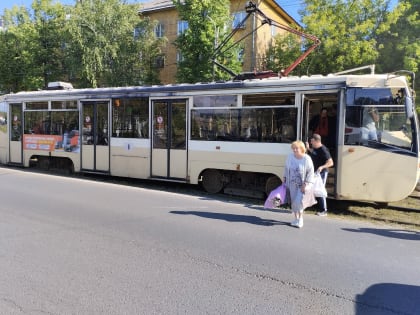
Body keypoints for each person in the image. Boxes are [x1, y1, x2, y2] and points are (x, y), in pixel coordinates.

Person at [283, 140, 315, 228]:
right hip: (291, 184)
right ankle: (296, 219)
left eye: (296, 148)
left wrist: (306, 184)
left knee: (299, 202)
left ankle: (300, 220)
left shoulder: (306, 158)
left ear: (302, 149)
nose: (294, 150)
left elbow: (310, 172)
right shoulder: (290, 157)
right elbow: (286, 168)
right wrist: (284, 178)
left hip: (302, 185)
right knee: (293, 202)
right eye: (293, 148)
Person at [306, 134, 334, 216]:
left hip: (322, 173)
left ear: (316, 141)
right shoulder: (315, 148)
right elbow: (313, 152)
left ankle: (324, 210)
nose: (311, 142)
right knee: (311, 189)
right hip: (315, 173)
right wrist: (308, 149)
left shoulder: (323, 150)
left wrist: (322, 167)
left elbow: (331, 162)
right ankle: (307, 205)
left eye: (312, 141)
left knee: (320, 190)